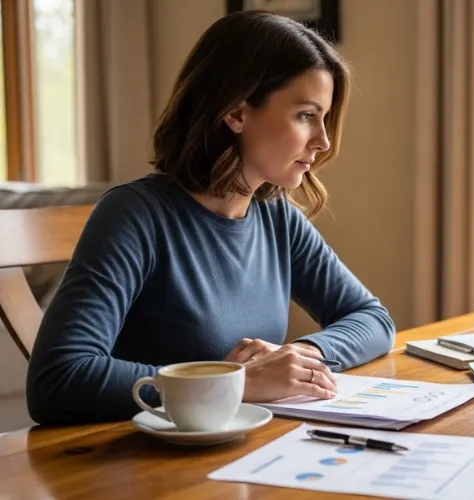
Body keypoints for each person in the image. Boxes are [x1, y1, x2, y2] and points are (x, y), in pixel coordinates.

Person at [26, 11, 396, 424]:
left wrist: (303, 354)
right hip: (143, 469)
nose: (323, 141)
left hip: (241, 456)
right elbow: (57, 379)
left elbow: (373, 320)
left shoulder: (277, 219)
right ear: (236, 113)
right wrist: (236, 381)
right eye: (306, 115)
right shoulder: (134, 216)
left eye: (324, 118)